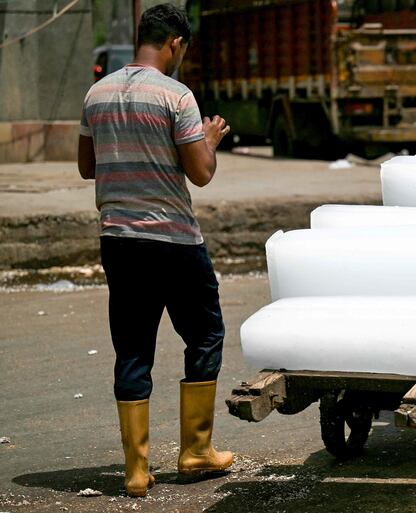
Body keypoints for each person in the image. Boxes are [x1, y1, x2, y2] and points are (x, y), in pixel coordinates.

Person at [78, 4, 232, 497]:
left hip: (119, 241)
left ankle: (137, 472)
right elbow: (202, 173)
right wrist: (206, 138)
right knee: (206, 334)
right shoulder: (176, 95)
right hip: (173, 242)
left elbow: (87, 166)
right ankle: (195, 452)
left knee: (133, 347)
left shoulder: (96, 93)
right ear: (174, 44)